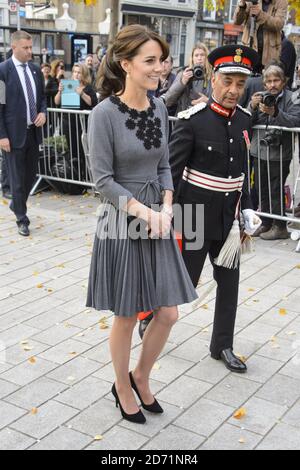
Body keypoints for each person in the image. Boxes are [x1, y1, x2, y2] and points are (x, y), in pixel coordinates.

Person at [87, 24, 197, 424]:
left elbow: (165, 164)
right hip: (123, 221)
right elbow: (101, 181)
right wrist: (145, 212)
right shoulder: (103, 115)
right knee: (128, 313)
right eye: (150, 61)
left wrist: (167, 207)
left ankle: (141, 376)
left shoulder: (159, 107)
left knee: (168, 313)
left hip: (159, 218)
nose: (159, 68)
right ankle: (121, 386)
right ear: (125, 63)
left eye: (161, 60)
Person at [140, 45, 262, 372]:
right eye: (227, 82)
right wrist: (166, 215)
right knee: (184, 283)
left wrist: (248, 208)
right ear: (213, 79)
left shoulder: (244, 122)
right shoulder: (192, 121)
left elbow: (241, 173)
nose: (233, 90)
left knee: (230, 284)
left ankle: (222, 345)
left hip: (228, 220)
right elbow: (172, 173)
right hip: (193, 218)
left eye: (240, 84)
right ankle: (151, 316)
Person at [0, 30, 46, 237]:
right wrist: (2, 135)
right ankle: (22, 218)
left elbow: (42, 98)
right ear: (14, 47)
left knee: (30, 176)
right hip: (12, 135)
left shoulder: (35, 71)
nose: (30, 52)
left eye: (30, 47)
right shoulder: (2, 71)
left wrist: (43, 113)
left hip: (32, 133)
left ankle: (16, 204)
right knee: (17, 180)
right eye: (26, 48)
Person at [248, 64, 300, 240]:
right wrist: (252, 106)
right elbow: (247, 120)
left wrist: (276, 112)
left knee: (275, 189)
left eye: (276, 80)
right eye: (268, 81)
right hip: (259, 150)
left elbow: (295, 121)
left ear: (283, 81)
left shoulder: (291, 98)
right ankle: (266, 222)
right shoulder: (260, 97)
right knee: (261, 188)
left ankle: (280, 226)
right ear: (264, 83)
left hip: (279, 153)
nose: (272, 85)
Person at [233, 0, 288, 74]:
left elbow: (279, 24)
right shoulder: (250, 2)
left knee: (266, 82)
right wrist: (242, 5)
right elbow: (237, 21)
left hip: (270, 55)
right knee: (247, 82)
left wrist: (260, 14)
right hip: (250, 50)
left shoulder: (281, 2)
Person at [163, 42, 212, 115]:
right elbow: (168, 101)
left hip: (206, 118)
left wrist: (208, 101)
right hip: (185, 118)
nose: (199, 58)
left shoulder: (213, 75)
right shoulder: (184, 73)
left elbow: (221, 101)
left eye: (202, 55)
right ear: (192, 58)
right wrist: (182, 82)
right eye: (196, 55)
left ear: (207, 57)